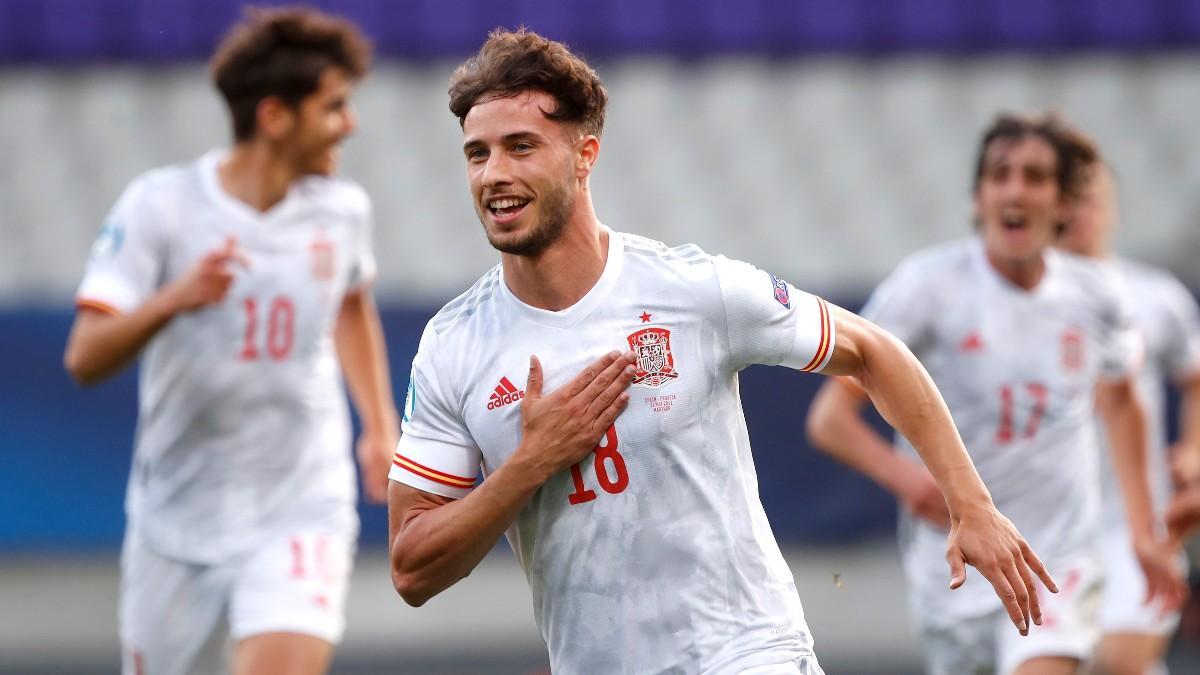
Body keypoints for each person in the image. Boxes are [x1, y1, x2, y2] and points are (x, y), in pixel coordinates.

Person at [386, 28, 1056, 674]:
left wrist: (972, 504)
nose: (494, 174)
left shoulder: (692, 290)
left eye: (521, 146)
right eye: (478, 154)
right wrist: (527, 465)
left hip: (745, 649)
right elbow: (412, 566)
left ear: (585, 155)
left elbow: (873, 350)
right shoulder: (454, 344)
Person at [62, 8, 396, 675]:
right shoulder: (161, 206)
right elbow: (84, 357)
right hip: (178, 517)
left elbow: (352, 302)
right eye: (334, 106)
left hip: (302, 500)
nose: (350, 123)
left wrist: (378, 424)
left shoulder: (342, 210)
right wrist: (172, 298)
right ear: (275, 117)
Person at [805, 113, 1187, 675]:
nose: (1014, 189)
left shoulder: (1096, 297)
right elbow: (830, 420)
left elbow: (1123, 401)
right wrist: (908, 480)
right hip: (956, 566)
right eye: (1000, 174)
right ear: (978, 197)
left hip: (1058, 560)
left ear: (1062, 204)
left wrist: (1142, 532)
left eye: (1034, 176)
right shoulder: (925, 288)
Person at [1056, 160, 1200, 674]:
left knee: (1119, 660)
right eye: (1066, 198)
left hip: (1134, 523)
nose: (1077, 211)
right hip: (1044, 527)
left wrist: (1192, 447)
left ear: (1110, 207)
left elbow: (1194, 378)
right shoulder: (1018, 299)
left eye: (1089, 197)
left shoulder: (1155, 297)